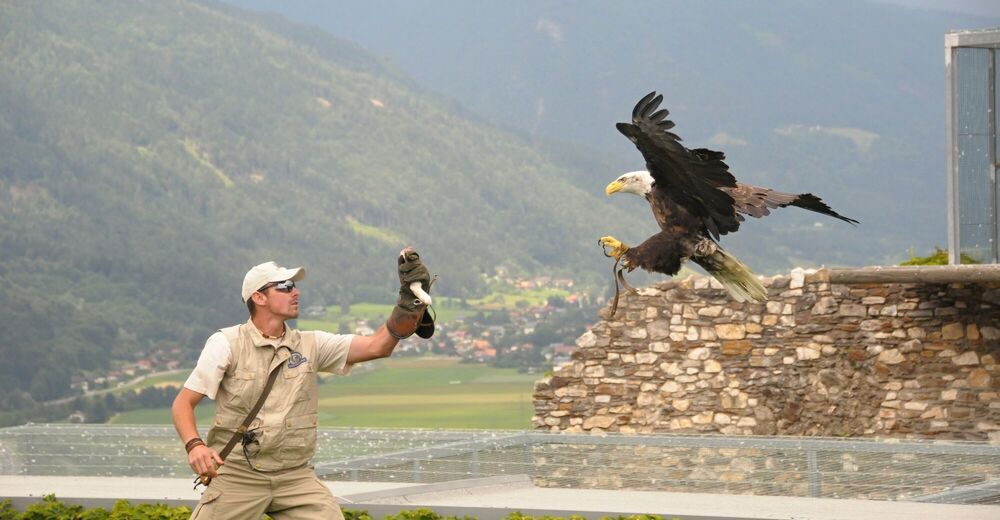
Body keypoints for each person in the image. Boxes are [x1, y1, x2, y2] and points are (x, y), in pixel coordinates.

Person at [172, 248, 433, 520]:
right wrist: (195, 445)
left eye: (294, 286)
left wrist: (410, 303)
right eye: (285, 287)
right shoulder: (226, 343)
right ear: (258, 297)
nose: (295, 292)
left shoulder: (312, 344)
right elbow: (183, 403)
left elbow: (378, 346)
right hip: (239, 474)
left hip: (294, 475)